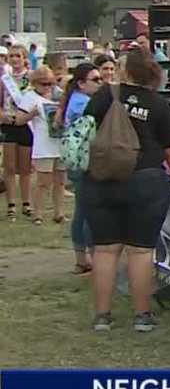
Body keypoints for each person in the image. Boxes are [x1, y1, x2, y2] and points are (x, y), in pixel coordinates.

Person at [82, 47, 170, 332]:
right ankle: (141, 315)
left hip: (101, 178)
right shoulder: (159, 105)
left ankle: (102, 316)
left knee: (105, 250)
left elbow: (83, 131)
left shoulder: (104, 95)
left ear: (125, 71)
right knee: (141, 251)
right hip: (145, 179)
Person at [60, 62, 101, 274]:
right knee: (89, 211)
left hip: (76, 161)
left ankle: (80, 258)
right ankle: (92, 257)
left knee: (81, 210)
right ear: (81, 83)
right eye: (95, 80)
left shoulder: (75, 100)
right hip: (84, 162)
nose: (100, 83)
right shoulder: (83, 104)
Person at [13, 66, 65, 226]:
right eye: (43, 84)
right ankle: (38, 213)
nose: (47, 87)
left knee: (60, 180)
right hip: (43, 145)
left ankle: (59, 213)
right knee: (43, 181)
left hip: (60, 143)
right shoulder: (30, 97)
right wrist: (32, 114)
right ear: (34, 83)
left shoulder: (59, 94)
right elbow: (19, 120)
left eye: (50, 83)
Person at [2, 45, 34, 221]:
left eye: (18, 56)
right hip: (8, 125)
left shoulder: (32, 78)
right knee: (9, 166)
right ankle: (11, 204)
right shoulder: (4, 80)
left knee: (25, 167)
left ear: (24, 58)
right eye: (11, 56)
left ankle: (26, 203)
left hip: (27, 125)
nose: (14, 59)